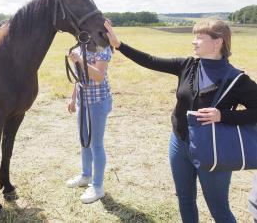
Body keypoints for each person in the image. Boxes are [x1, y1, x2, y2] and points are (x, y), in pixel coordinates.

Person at [104, 19, 257, 222]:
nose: (194, 42)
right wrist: (118, 45)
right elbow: (150, 60)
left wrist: (223, 115)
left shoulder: (236, 79)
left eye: (199, 38)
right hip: (179, 142)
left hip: (213, 150)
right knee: (185, 199)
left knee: (218, 208)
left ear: (218, 42)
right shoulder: (188, 65)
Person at [66, 44, 113, 204]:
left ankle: (98, 187)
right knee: (84, 140)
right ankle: (86, 175)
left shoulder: (102, 47)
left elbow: (99, 76)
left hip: (98, 101)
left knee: (96, 144)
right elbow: (78, 76)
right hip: (82, 101)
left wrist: (79, 60)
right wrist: (73, 98)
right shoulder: (80, 46)